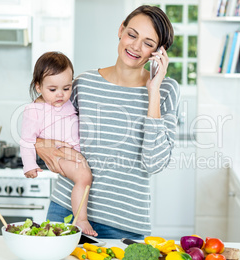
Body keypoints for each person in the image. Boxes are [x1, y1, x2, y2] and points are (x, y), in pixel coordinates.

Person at [35, 5, 179, 239]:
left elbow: (154, 163)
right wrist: (39, 143)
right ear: (121, 30)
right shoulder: (83, 84)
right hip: (67, 211)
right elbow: (41, 125)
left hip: (123, 222)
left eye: (148, 43)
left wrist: (153, 91)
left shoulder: (166, 90)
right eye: (132, 34)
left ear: (158, 52)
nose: (135, 46)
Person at [19, 51, 96, 236]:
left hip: (72, 151)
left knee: (84, 177)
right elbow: (27, 140)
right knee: (84, 177)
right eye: (52, 90)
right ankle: (81, 218)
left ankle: (80, 216)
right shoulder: (34, 110)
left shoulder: (67, 102)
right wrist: (29, 165)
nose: (60, 95)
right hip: (59, 153)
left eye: (67, 88)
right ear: (38, 86)